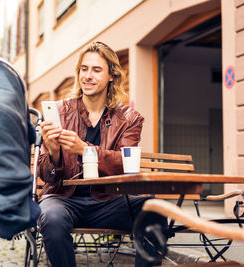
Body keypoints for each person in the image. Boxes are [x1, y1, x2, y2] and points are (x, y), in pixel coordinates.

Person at [38, 41, 166, 267]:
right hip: (64, 199)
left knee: (153, 209)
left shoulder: (129, 119)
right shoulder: (60, 111)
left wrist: (85, 149)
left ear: (111, 76)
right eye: (83, 69)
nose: (88, 75)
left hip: (110, 201)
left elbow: (125, 164)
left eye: (96, 70)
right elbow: (46, 175)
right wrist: (55, 151)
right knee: (52, 217)